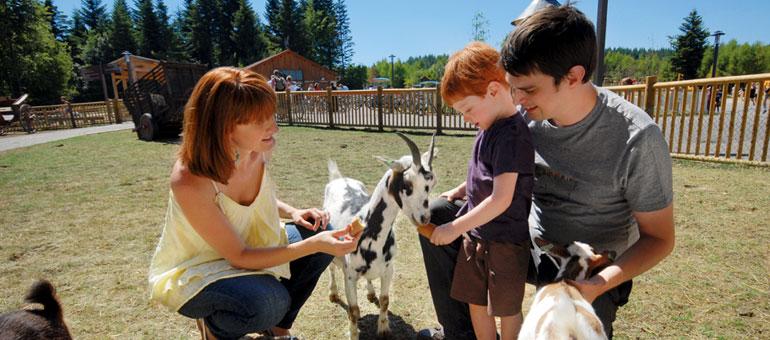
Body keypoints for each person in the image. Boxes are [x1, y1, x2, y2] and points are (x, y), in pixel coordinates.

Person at [418, 5, 674, 340]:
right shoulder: (525, 115)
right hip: (522, 242)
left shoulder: (636, 137)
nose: (518, 99)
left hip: (585, 265)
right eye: (513, 87)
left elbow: (660, 238)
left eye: (528, 89)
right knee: (439, 215)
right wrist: (461, 190)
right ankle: (461, 334)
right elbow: (503, 175)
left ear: (573, 76)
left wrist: (597, 285)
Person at [148, 67, 361, 340]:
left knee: (320, 230)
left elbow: (254, 197)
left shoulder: (256, 149)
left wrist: (293, 212)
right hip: (200, 268)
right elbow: (239, 256)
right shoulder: (189, 179)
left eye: (271, 115)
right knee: (268, 302)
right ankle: (215, 330)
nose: (274, 126)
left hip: (249, 244)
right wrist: (313, 244)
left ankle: (279, 333)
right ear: (222, 126)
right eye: (259, 120)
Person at [430, 41, 534, 340]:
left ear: (493, 90)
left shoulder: (513, 134)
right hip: (477, 237)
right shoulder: (487, 128)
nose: (466, 117)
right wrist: (460, 189)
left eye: (467, 108)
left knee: (506, 308)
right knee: (475, 301)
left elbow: (501, 197)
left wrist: (453, 227)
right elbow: (485, 173)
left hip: (504, 241)